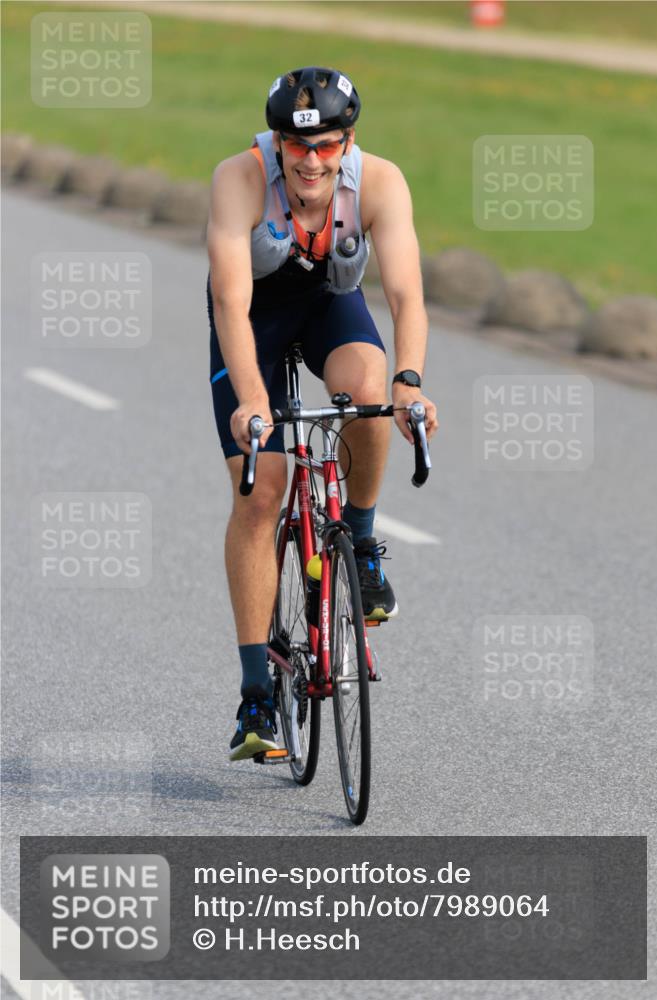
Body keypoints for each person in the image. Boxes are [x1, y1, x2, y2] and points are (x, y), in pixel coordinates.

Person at [206, 66, 438, 760]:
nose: (310, 161)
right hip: (251, 322)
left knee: (366, 391)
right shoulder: (238, 178)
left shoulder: (379, 182)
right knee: (260, 494)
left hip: (330, 308)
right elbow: (228, 306)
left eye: (327, 145)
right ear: (276, 142)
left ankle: (360, 544)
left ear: (347, 140)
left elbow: (405, 296)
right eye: (295, 145)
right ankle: (255, 700)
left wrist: (407, 381)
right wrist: (252, 397)